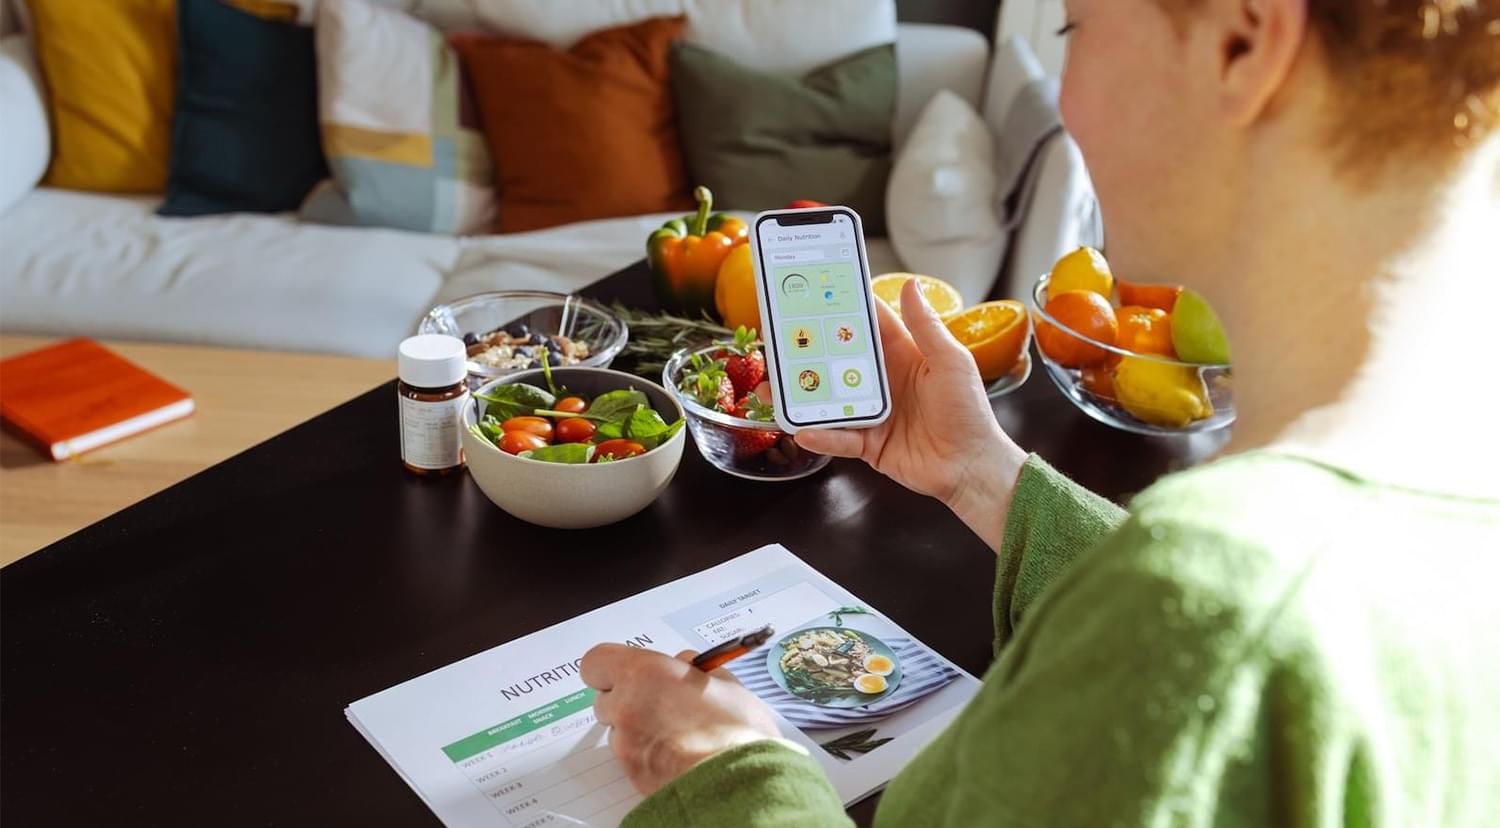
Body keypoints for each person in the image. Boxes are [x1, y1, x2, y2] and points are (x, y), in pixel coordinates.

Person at [580, 0, 1500, 823]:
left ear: (1239, 42)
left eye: (1077, 29)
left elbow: (1209, 626)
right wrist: (985, 472)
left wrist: (727, 766)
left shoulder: (1212, 612)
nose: (1064, 96)